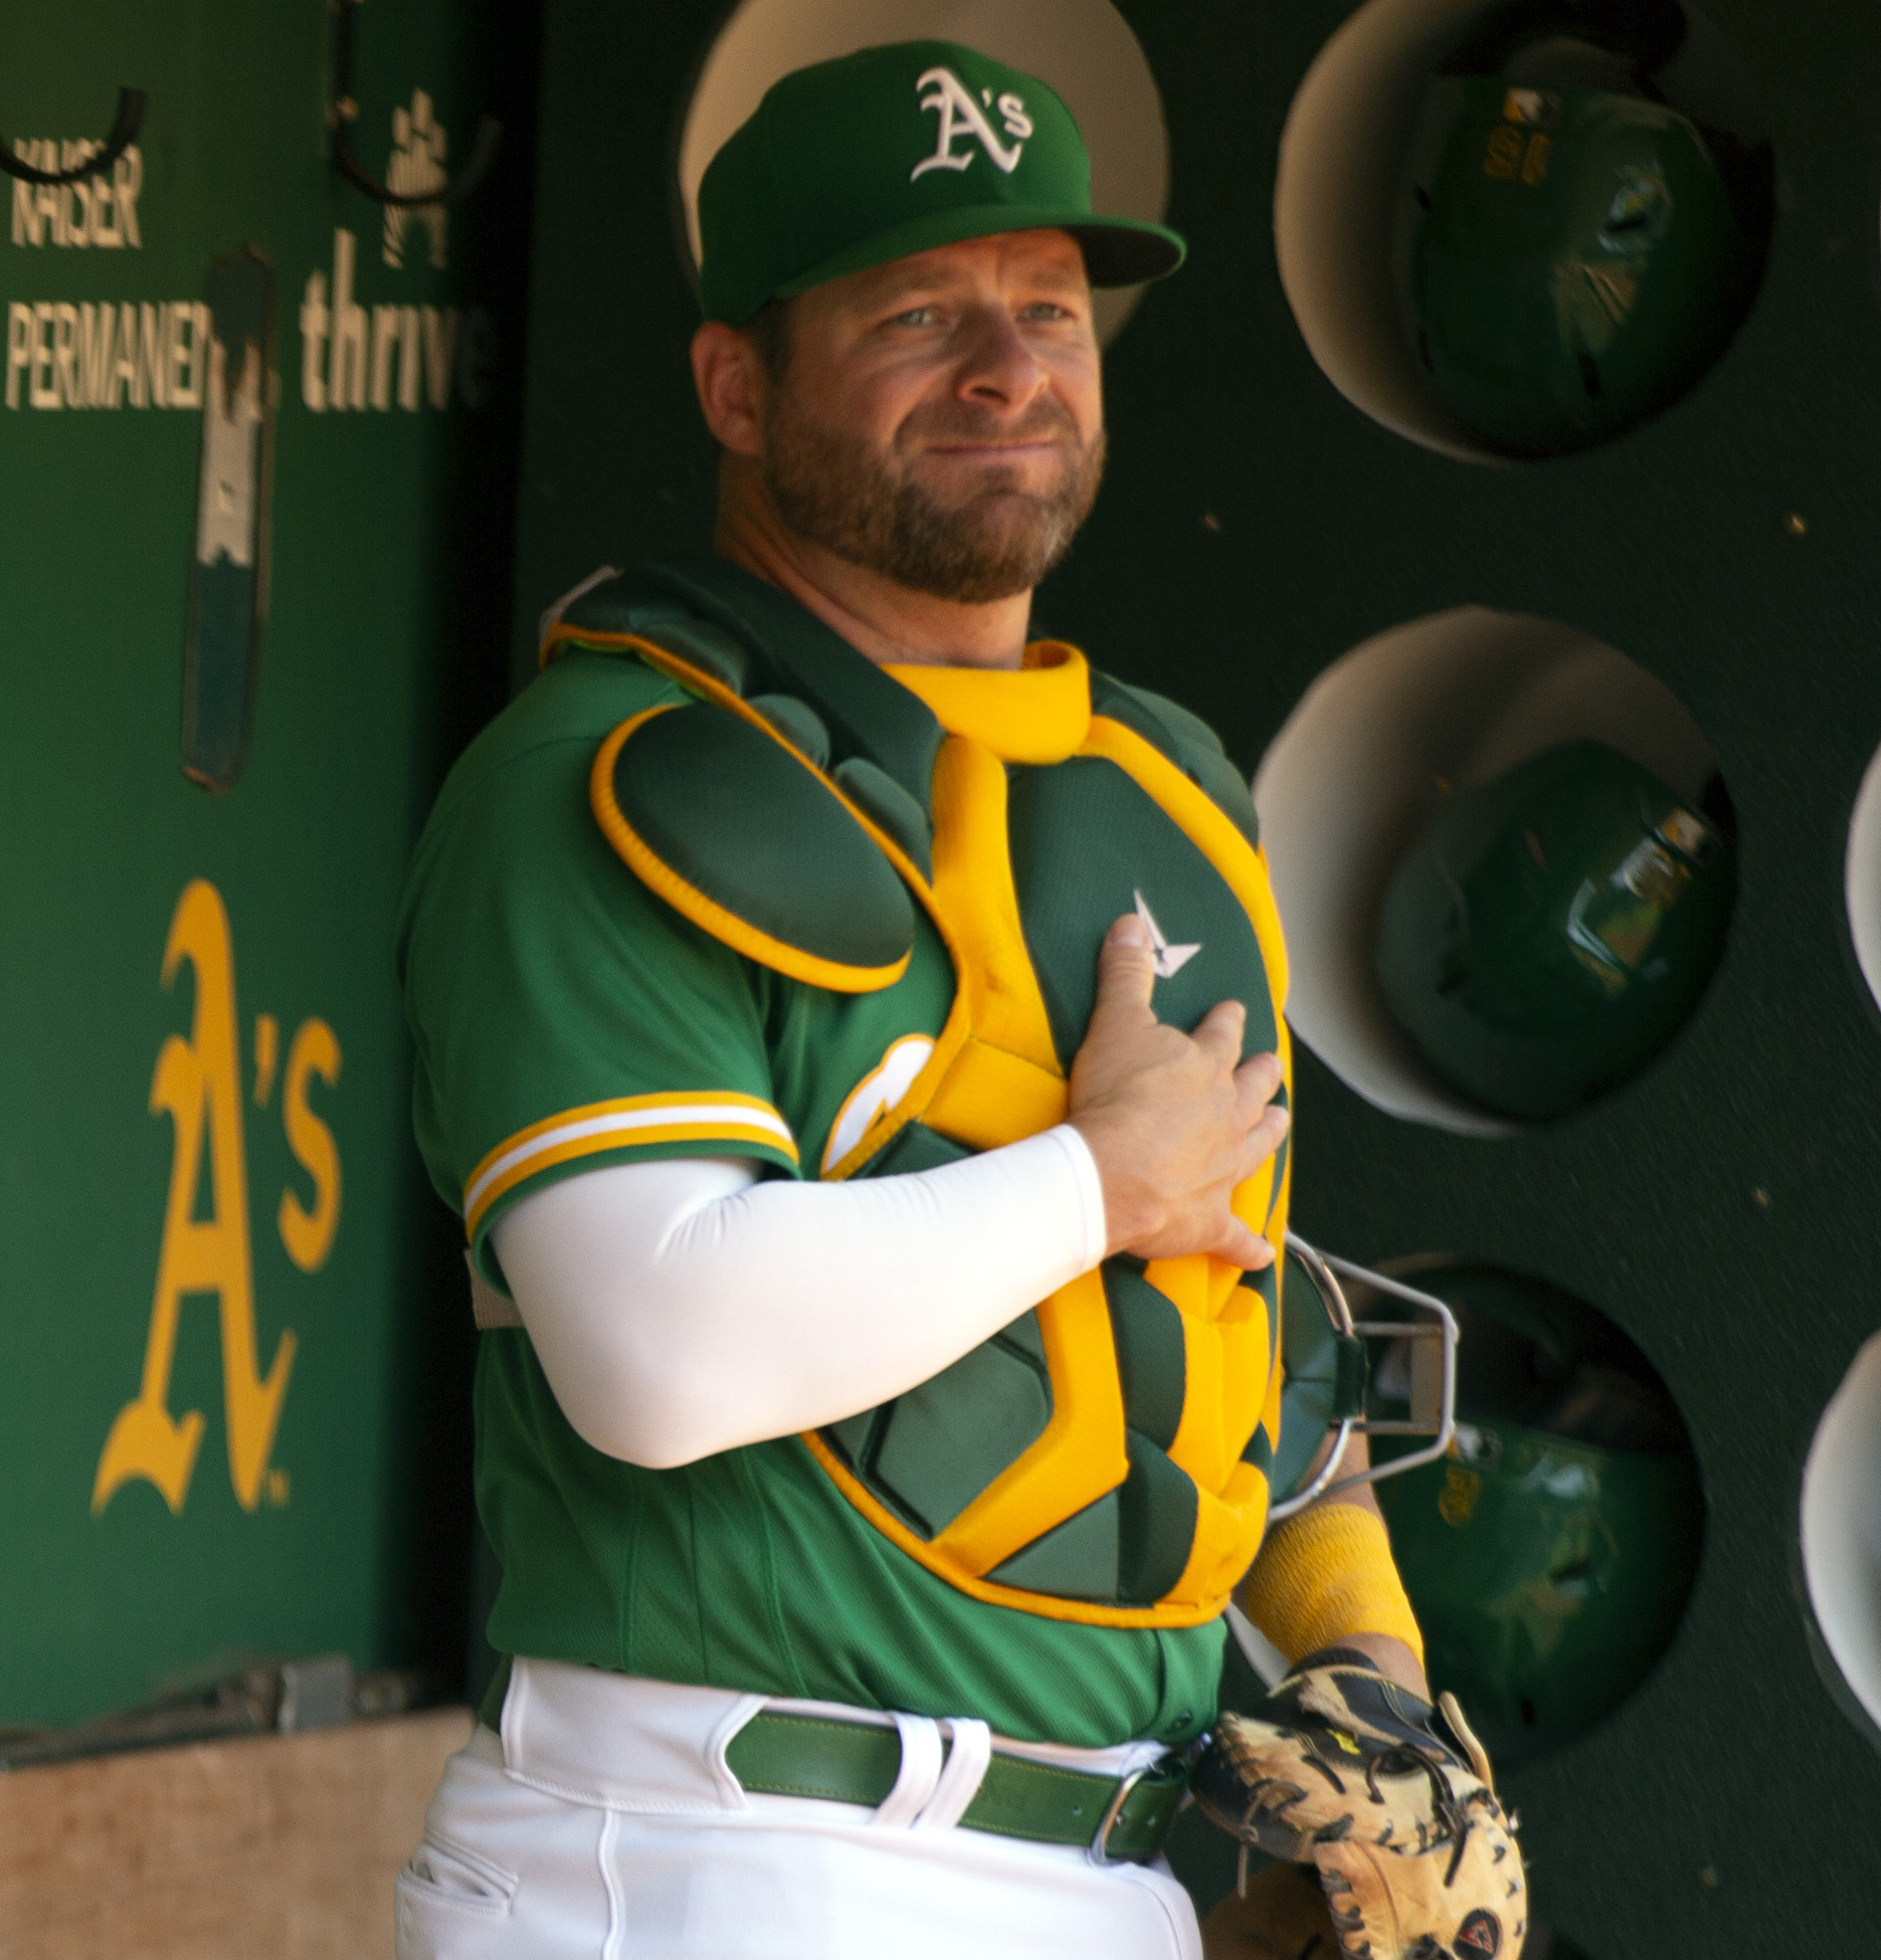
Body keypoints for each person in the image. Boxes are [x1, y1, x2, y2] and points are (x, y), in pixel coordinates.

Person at [394, 40, 1518, 1960]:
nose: (1008, 368)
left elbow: (1224, 1317)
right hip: (709, 1857)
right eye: (918, 313)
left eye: (1049, 309)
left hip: (1104, 1873)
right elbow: (653, 1351)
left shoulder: (1158, 787)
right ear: (735, 384)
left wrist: (1375, 1680)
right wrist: (1093, 1180)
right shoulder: (600, 774)